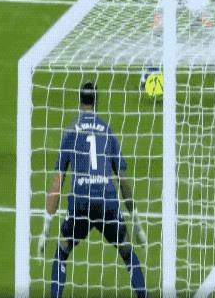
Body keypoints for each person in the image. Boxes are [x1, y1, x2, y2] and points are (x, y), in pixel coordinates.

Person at [38, 82, 147, 298]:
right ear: (97, 101)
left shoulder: (70, 131)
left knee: (62, 251)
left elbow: (57, 184)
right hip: (107, 201)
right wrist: (137, 223)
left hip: (81, 202)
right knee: (127, 251)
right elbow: (123, 182)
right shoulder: (107, 130)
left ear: (80, 101)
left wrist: (45, 229)